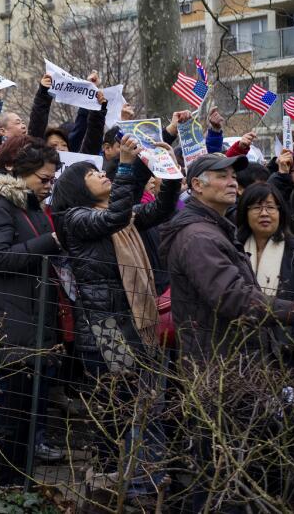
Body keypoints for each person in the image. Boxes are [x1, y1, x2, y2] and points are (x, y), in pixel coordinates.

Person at [51, 138, 181, 498]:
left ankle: (138, 478)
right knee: (118, 405)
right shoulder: (76, 219)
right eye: (93, 173)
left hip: (136, 318)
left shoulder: (121, 216)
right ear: (79, 187)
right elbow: (115, 215)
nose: (101, 175)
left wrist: (165, 169)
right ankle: (111, 479)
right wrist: (124, 166)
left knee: (143, 400)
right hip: (106, 327)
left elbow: (162, 209)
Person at [160, 154, 294, 363]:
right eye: (222, 176)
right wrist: (290, 310)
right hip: (219, 363)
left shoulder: (214, 227)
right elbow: (230, 296)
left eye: (233, 176)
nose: (232, 182)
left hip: (229, 357)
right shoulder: (199, 237)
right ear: (197, 185)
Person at [0, 141, 64, 485]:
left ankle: (22, 482)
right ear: (21, 173)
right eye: (43, 177)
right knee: (14, 408)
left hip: (35, 313)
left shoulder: (32, 205)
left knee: (31, 408)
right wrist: (49, 242)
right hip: (13, 316)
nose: (48, 184)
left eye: (52, 179)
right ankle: (10, 484)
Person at [234, 182, 294, 369]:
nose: (264, 213)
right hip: (240, 354)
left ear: (281, 212)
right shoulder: (233, 251)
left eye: (270, 207)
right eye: (256, 207)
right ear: (244, 213)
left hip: (289, 360)